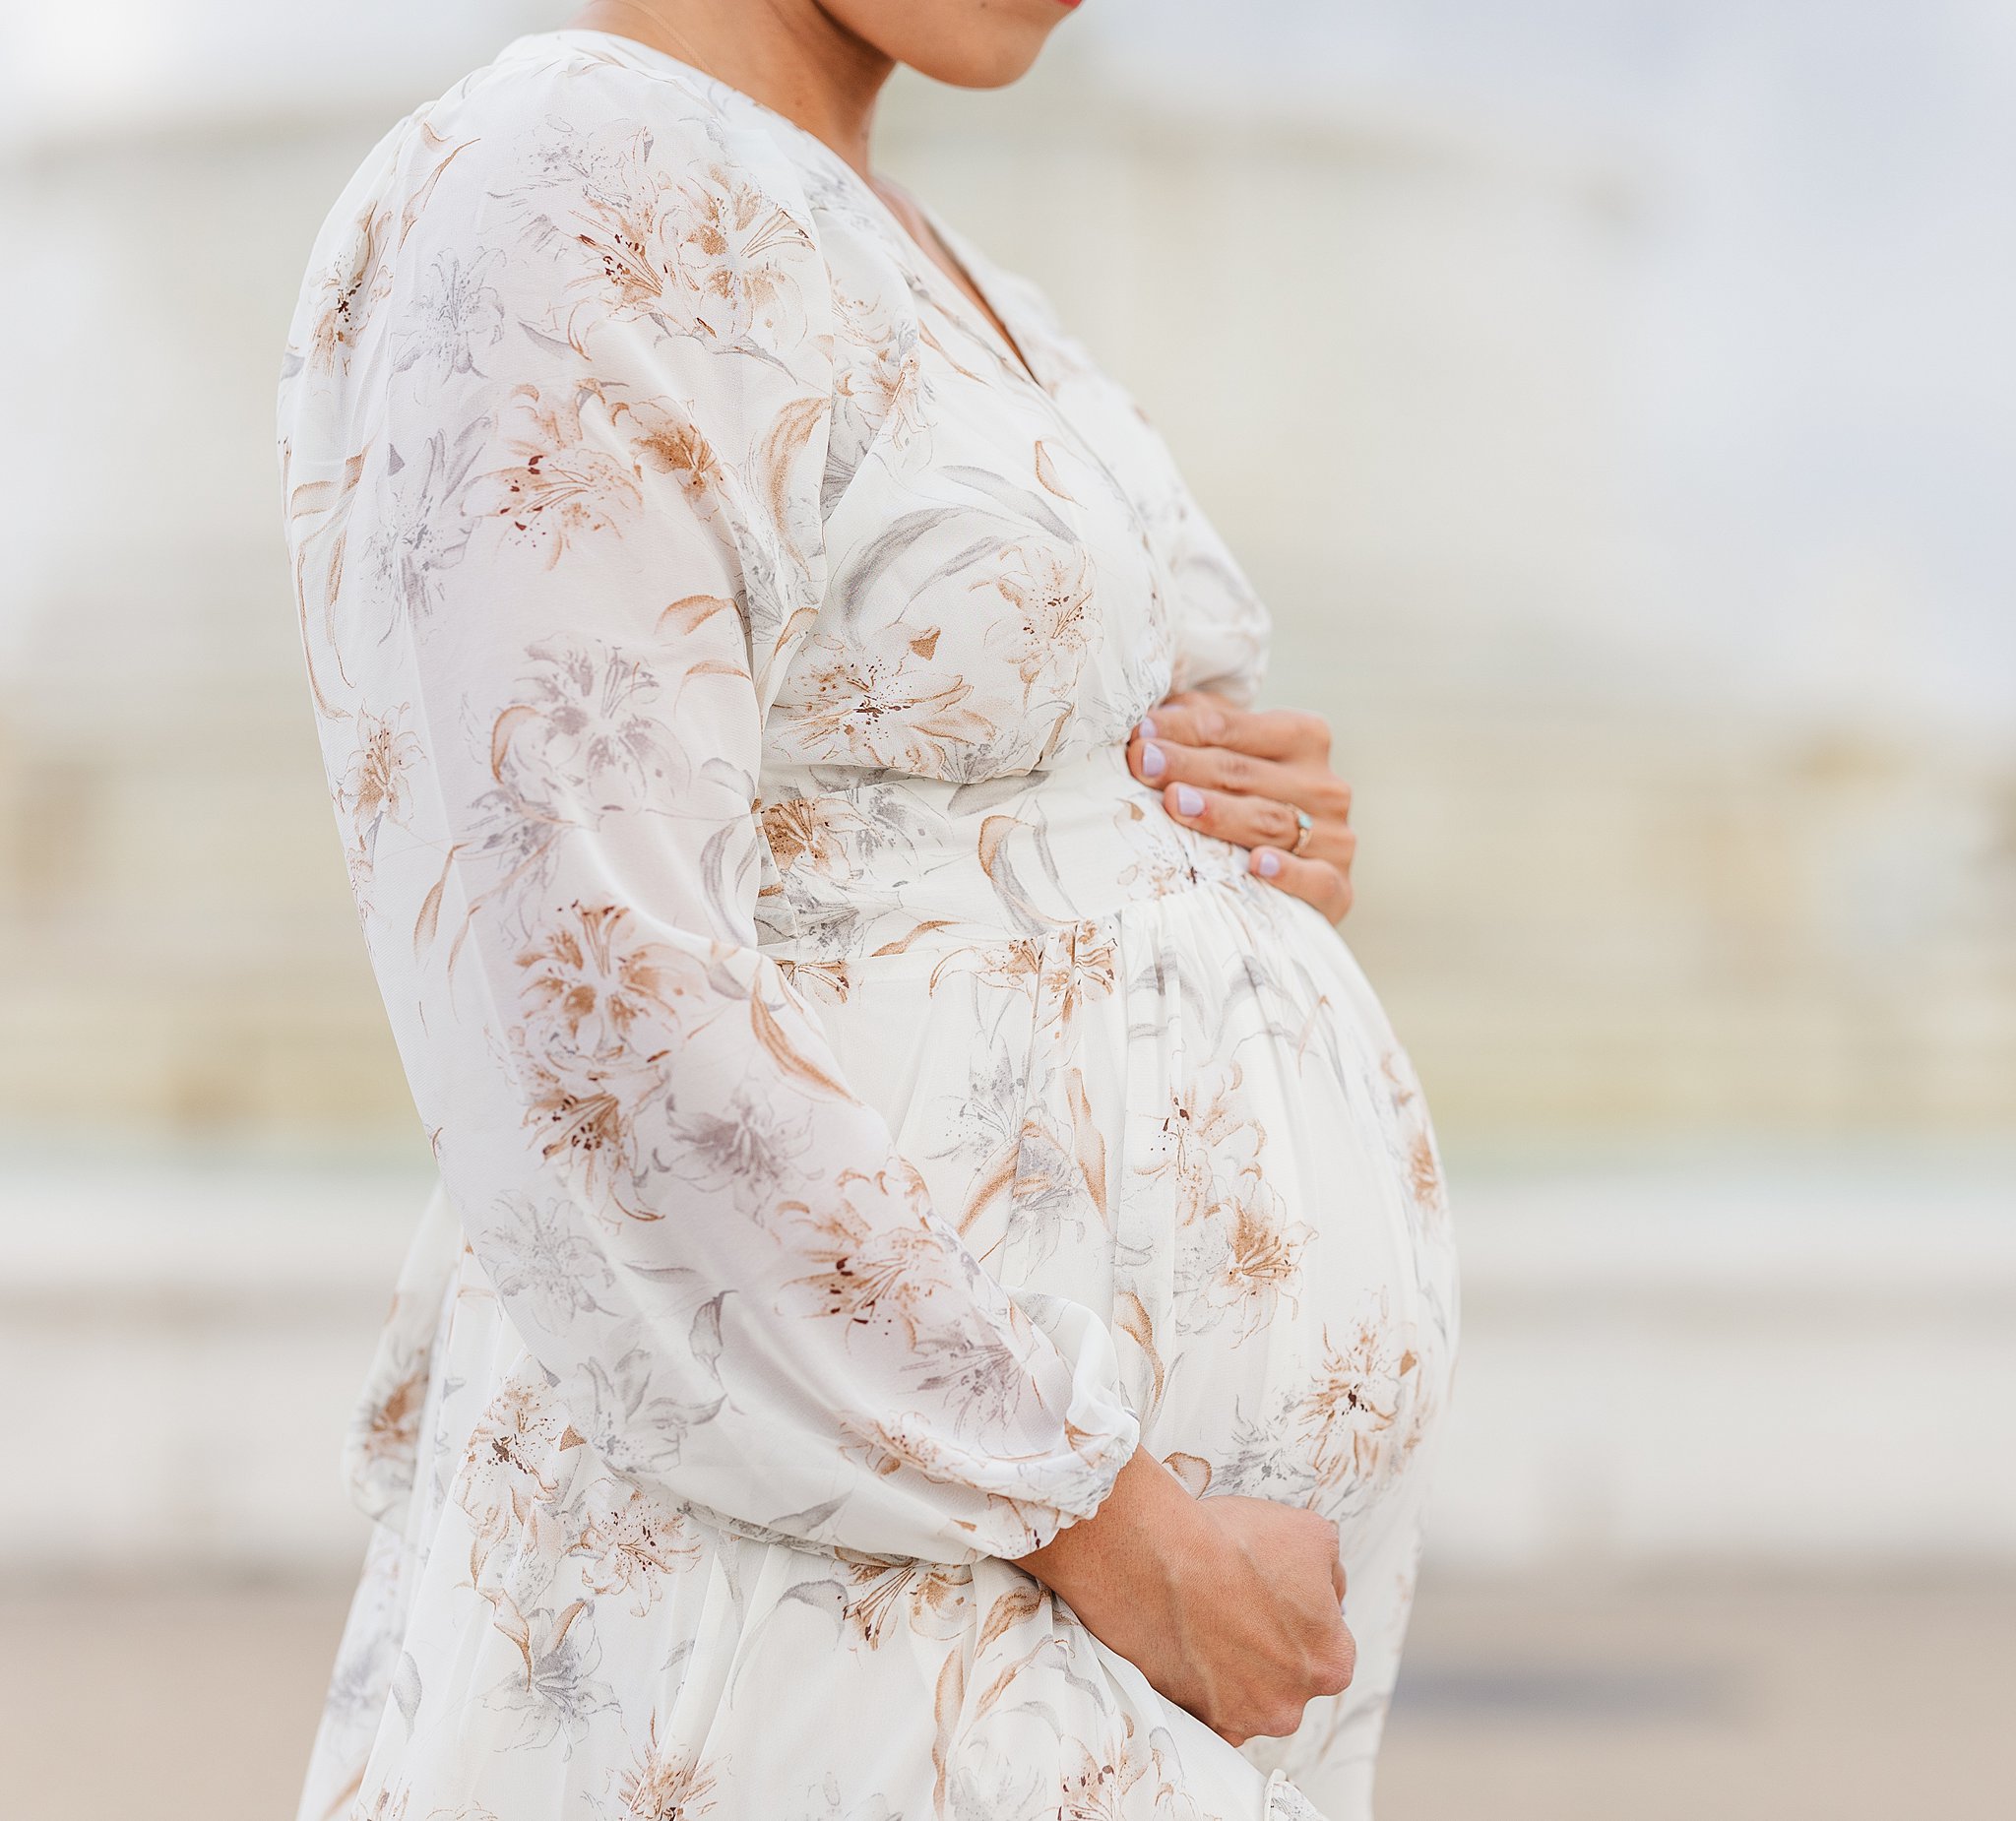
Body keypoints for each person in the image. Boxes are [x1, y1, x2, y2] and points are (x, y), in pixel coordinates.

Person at [277, 3, 1458, 1816]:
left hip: (1017, 1595)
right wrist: (1105, 1520)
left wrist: (1205, 836)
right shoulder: (556, 184)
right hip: (860, 1588)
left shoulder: (911, 240)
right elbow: (597, 1019)